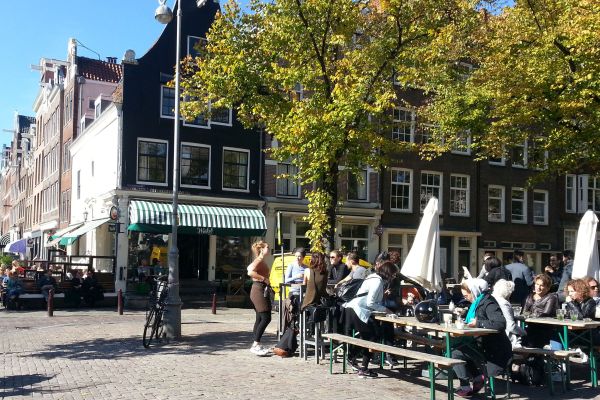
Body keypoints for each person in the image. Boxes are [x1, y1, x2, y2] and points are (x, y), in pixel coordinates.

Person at [451, 278, 511, 398]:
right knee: (456, 350)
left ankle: (467, 386)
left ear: (474, 291)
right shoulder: (479, 302)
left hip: (494, 350)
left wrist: (479, 324)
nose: (466, 297)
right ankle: (476, 379)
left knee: (455, 352)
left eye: (466, 294)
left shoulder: (488, 302)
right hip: (481, 345)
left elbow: (500, 323)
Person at [343, 261, 398, 378]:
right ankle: (362, 367)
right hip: (358, 310)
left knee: (369, 336)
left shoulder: (372, 277)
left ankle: (353, 357)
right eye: (393, 274)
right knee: (372, 337)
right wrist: (386, 310)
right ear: (388, 273)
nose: (394, 277)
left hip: (353, 307)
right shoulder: (377, 281)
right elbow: (371, 302)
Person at [246, 240, 272, 356]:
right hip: (258, 290)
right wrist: (264, 279)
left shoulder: (260, 261)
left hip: (259, 289)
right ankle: (255, 344)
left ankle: (256, 343)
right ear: (262, 249)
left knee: (259, 318)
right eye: (267, 248)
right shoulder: (259, 260)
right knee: (266, 317)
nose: (269, 249)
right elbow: (250, 271)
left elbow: (249, 268)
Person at [492, 279, 526, 348]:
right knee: (528, 340)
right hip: (505, 338)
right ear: (508, 292)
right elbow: (511, 326)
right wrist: (524, 332)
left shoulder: (490, 299)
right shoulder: (504, 303)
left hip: (493, 335)